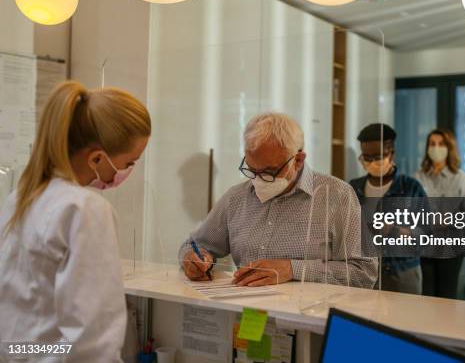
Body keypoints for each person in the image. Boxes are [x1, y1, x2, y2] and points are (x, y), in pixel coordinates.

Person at [0, 82, 151, 362]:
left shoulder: (20, 198)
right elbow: (92, 340)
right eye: (130, 162)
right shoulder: (85, 209)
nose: (128, 171)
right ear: (96, 157)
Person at [180, 113, 377, 288]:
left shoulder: (336, 195)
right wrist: (193, 259)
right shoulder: (236, 198)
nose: (258, 180)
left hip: (310, 319)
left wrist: (292, 269)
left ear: (298, 160)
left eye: (269, 171)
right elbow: (193, 245)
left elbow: (364, 272)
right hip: (246, 318)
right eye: (251, 169)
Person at [349, 123, 427, 294]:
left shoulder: (410, 188)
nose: (372, 162)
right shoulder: (353, 188)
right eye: (366, 158)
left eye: (377, 157)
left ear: (391, 153)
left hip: (401, 274)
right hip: (362, 273)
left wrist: (394, 230)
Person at [414, 128, 465, 299]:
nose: (436, 148)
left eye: (441, 144)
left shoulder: (460, 178)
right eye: (432, 144)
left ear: (449, 147)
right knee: (426, 297)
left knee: (446, 298)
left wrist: (447, 220)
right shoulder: (418, 177)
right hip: (424, 248)